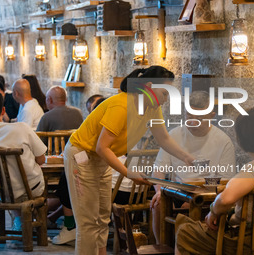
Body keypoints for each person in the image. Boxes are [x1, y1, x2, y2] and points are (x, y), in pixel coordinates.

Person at [64, 66, 195, 255]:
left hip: (101, 158)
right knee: (87, 222)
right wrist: (128, 173)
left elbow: (164, 139)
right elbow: (102, 147)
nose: (167, 99)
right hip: (81, 155)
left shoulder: (152, 107)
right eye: (165, 93)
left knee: (101, 219)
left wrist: (187, 157)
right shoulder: (122, 105)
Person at [175, 108, 254, 255]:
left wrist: (212, 212)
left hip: (250, 239)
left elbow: (226, 198)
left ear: (242, 140)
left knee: (185, 231)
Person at [150, 90, 236, 243]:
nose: (192, 122)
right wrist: (159, 191)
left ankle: (188, 247)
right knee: (158, 203)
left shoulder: (223, 141)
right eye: (189, 116)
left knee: (189, 204)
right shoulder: (174, 135)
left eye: (199, 118)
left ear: (212, 115)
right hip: (177, 191)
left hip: (209, 194)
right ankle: (162, 247)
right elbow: (158, 170)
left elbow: (226, 180)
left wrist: (200, 185)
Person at [0, 89, 47, 230]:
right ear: (3, 110)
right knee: (23, 185)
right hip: (33, 188)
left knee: (7, 188)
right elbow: (41, 160)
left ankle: (18, 220)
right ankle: (24, 221)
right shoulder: (22, 128)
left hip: (4, 195)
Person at [36, 85, 83, 245]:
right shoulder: (78, 113)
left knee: (59, 188)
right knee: (68, 187)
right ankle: (61, 220)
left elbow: (38, 145)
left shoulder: (47, 117)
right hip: (79, 163)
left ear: (49, 100)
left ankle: (43, 219)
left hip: (54, 166)